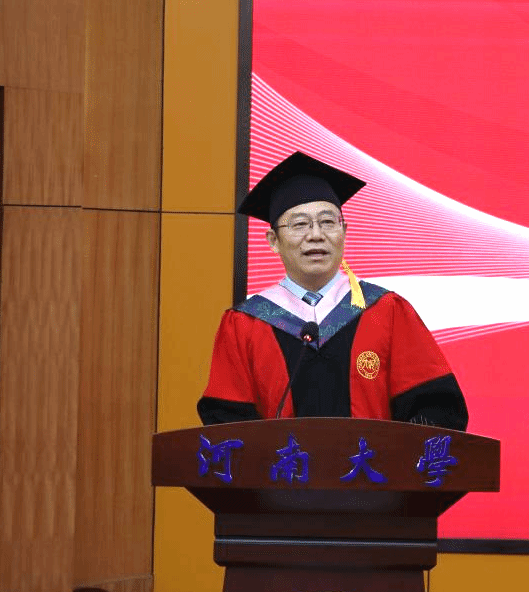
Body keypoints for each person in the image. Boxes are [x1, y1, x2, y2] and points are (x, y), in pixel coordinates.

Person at [197, 151, 469, 431]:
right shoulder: (245, 324)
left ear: (344, 232)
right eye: (299, 224)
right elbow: (227, 426)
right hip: (283, 461)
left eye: (328, 222)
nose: (316, 235)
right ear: (273, 240)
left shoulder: (387, 312)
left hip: (370, 461)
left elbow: (437, 411)